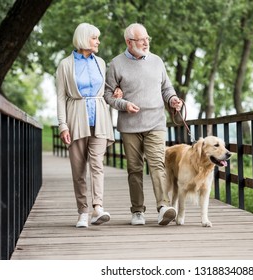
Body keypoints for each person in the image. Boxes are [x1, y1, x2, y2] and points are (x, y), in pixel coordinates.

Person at [104, 23, 182, 226]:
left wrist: (173, 99)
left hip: (155, 122)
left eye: (148, 38)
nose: (146, 42)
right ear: (129, 42)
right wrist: (123, 104)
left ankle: (163, 207)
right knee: (134, 169)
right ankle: (137, 211)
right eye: (141, 40)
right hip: (130, 126)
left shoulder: (157, 61)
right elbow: (107, 94)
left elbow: (166, 88)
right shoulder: (116, 64)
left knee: (157, 164)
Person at [56, 23, 118, 228]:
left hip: (100, 117)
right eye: (95, 38)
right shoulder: (65, 65)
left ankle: (97, 208)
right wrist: (62, 125)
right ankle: (82, 211)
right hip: (76, 119)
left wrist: (116, 91)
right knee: (78, 168)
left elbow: (105, 88)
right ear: (84, 38)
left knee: (97, 164)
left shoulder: (100, 62)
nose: (98, 41)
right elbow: (61, 97)